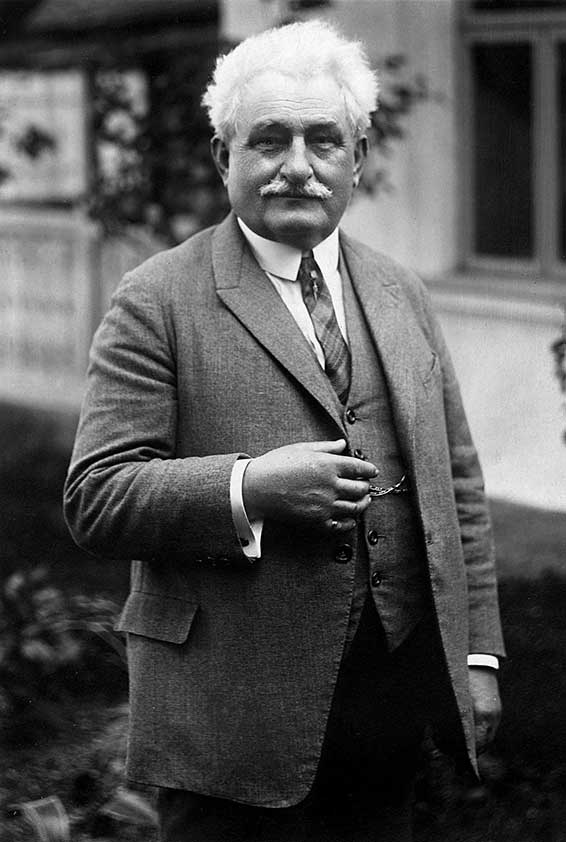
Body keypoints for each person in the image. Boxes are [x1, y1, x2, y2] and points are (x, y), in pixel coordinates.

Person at [64, 20, 504, 842]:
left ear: (356, 157)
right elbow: (96, 498)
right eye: (269, 140)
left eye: (322, 140)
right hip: (229, 713)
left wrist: (477, 657)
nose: (297, 165)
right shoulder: (156, 298)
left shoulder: (400, 291)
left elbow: (458, 487)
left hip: (385, 706)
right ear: (223, 156)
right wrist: (250, 487)